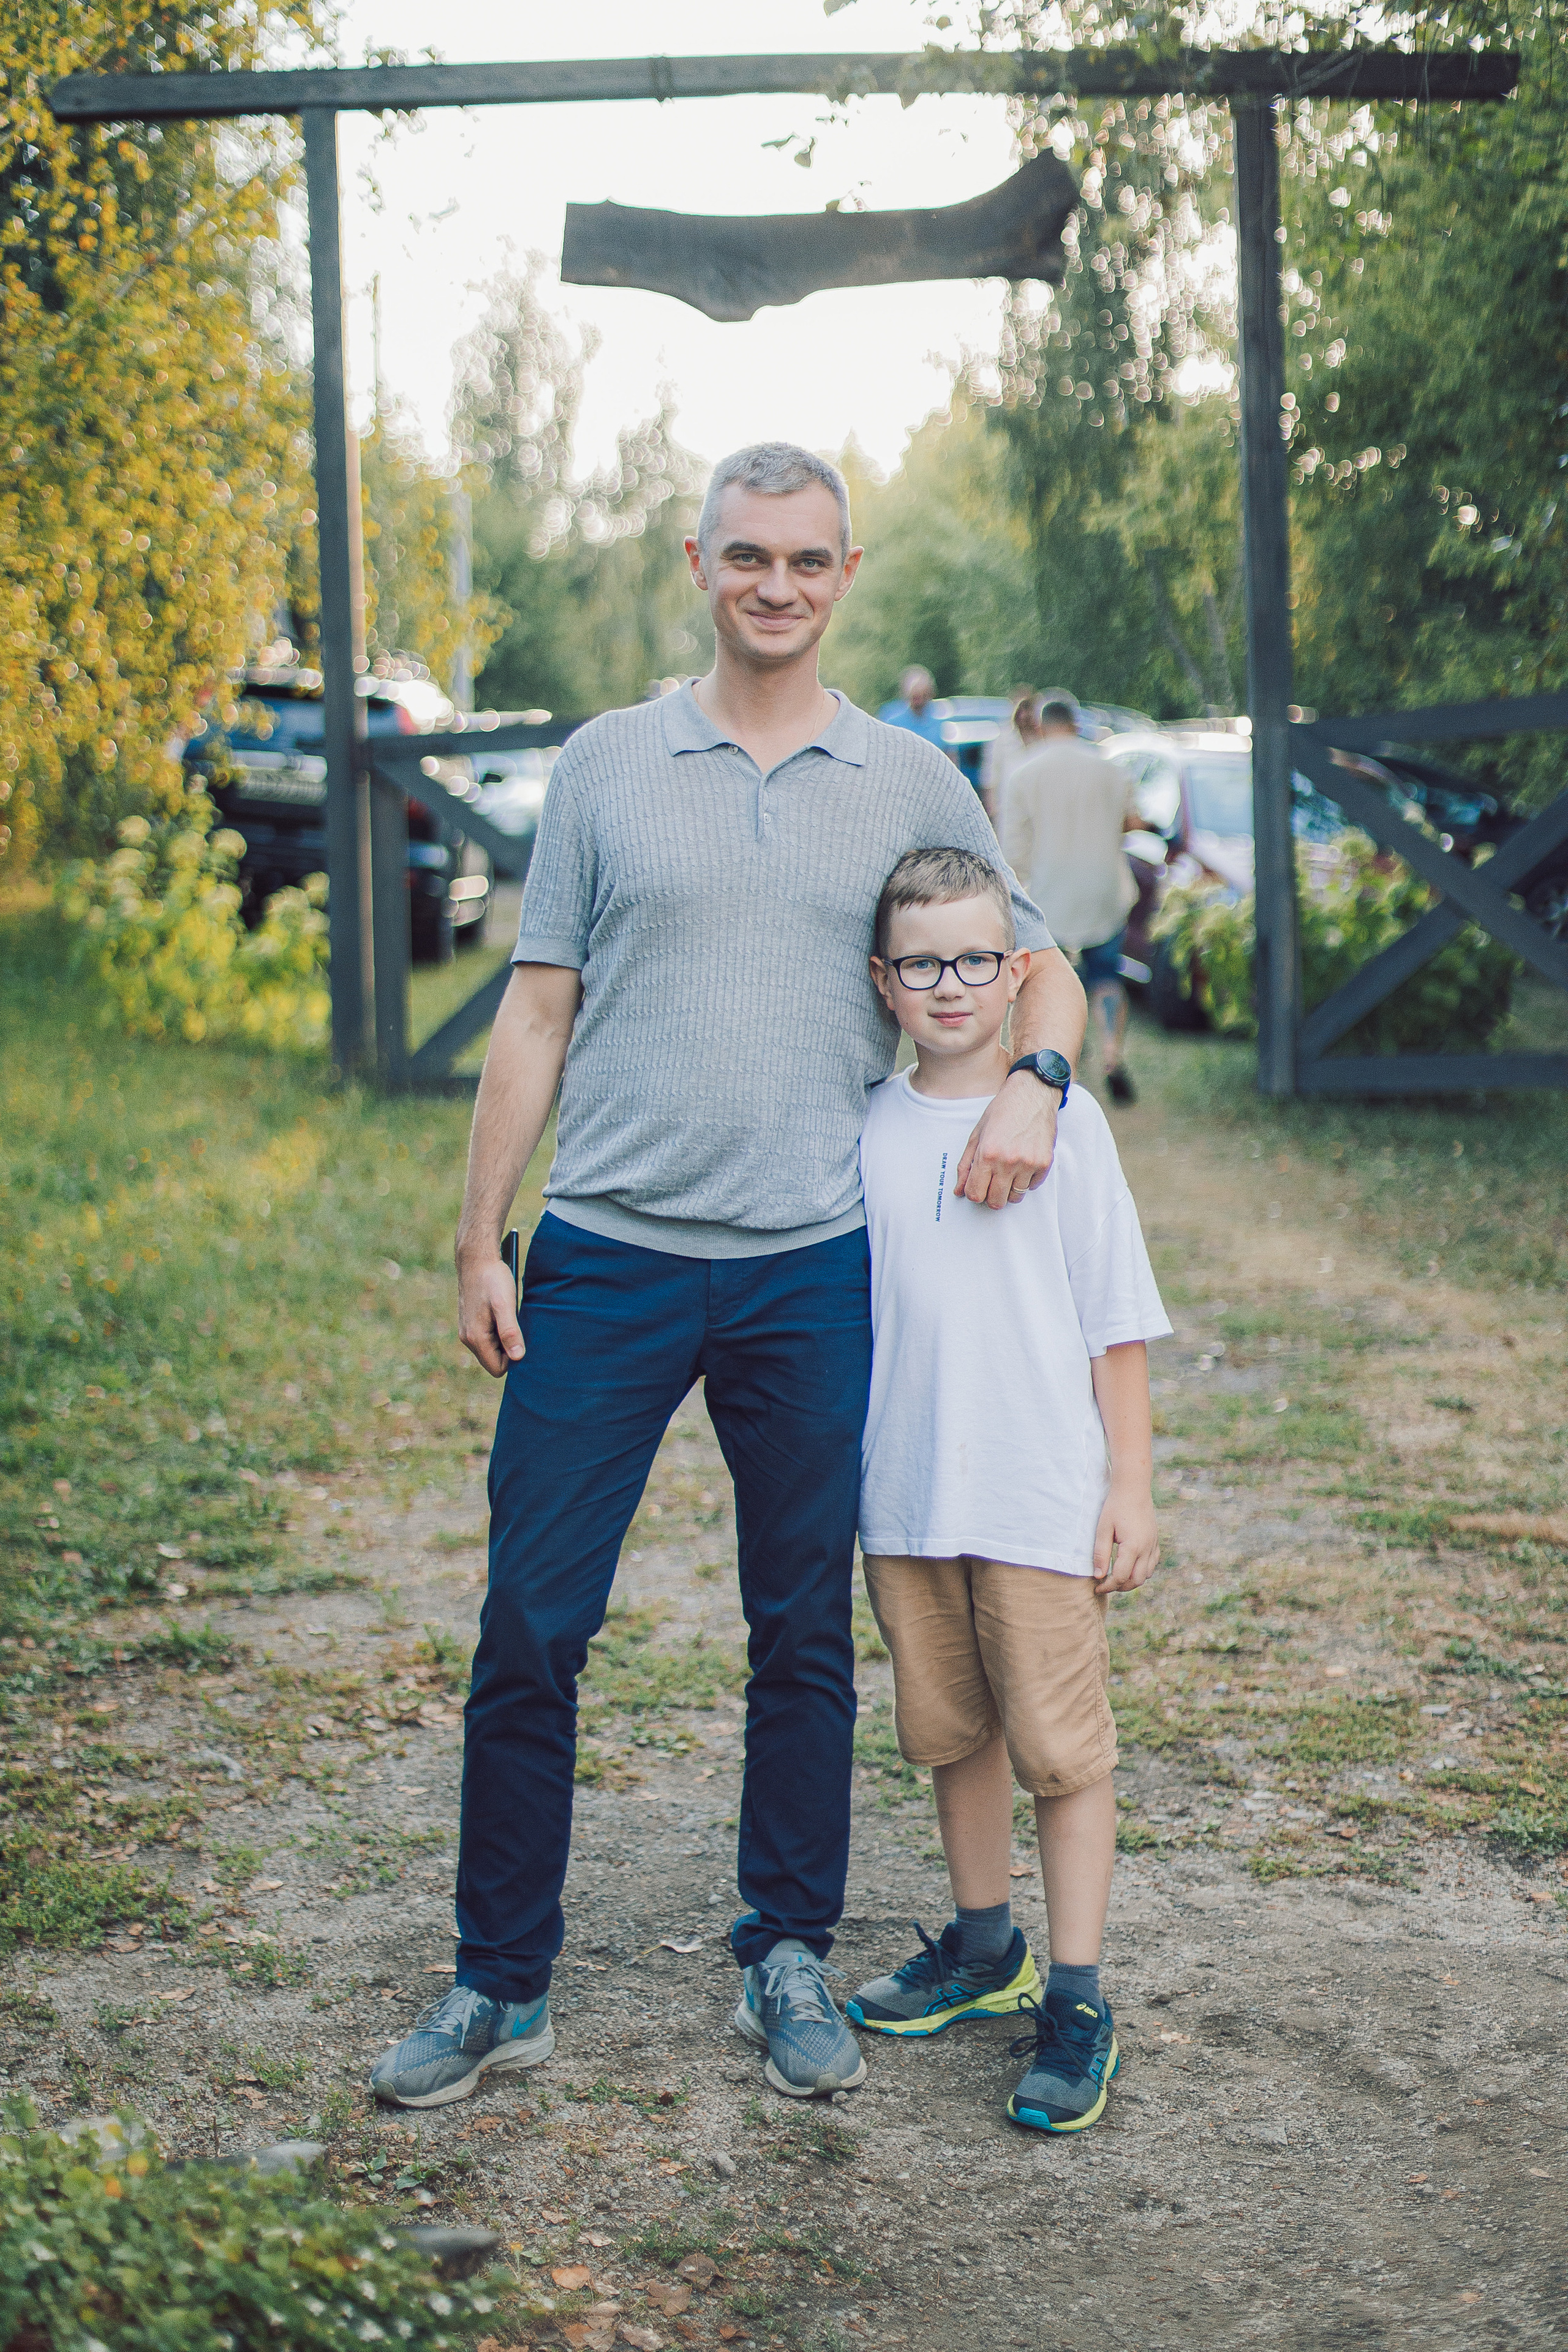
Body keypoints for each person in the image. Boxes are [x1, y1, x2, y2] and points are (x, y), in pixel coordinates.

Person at [368, 443, 1087, 2112]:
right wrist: (483, 1230)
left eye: (809, 562)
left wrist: (1042, 1095)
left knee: (801, 1635)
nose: (777, 587)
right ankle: (498, 1981)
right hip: (607, 1258)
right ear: (700, 562)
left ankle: (788, 1953)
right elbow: (536, 1008)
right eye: (748, 557)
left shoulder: (910, 775)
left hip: (812, 1268)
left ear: (846, 576)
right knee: (533, 1621)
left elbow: (1039, 966)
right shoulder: (611, 763)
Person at [845, 844, 1169, 2133]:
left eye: (975, 959)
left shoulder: (1064, 1127)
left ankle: (1076, 1997)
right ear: (882, 980)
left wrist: (1128, 1486)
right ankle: (983, 1950)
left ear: (1014, 969)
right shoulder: (865, 1125)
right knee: (947, 1730)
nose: (949, 984)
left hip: (1037, 1494)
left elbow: (1114, 1326)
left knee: (1056, 1747)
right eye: (921, 963)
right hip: (908, 1496)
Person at [1003, 689, 1142, 1105]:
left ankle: (1064, 1067)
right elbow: (1132, 822)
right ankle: (1113, 1057)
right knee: (1106, 977)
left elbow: (1013, 851)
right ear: (1077, 725)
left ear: (1041, 726)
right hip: (1104, 890)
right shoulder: (1111, 770)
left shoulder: (1023, 774)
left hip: (1049, 897)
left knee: (1053, 984)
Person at [978, 686, 1041, 831]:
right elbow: (990, 777)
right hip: (1007, 808)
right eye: (1021, 710)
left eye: (1028, 709)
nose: (1024, 715)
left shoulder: (1041, 740)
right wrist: (993, 810)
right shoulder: (1002, 741)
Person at [877, 663, 948, 753]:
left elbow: (950, 753)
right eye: (915, 697)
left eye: (923, 695)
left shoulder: (941, 719)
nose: (919, 701)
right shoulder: (892, 721)